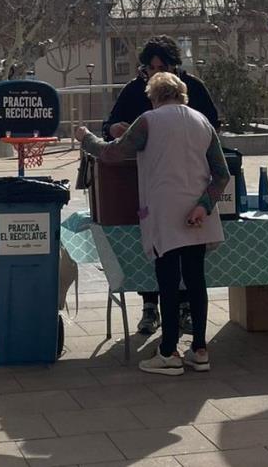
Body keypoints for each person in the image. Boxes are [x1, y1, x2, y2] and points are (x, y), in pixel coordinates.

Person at [77, 72, 229, 375]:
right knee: (196, 282)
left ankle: (169, 351)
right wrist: (204, 206)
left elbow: (113, 152)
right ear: (182, 94)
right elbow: (221, 174)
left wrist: (86, 139)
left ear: (154, 96)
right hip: (198, 213)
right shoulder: (203, 122)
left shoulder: (149, 120)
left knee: (168, 283)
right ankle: (200, 349)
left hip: (164, 211)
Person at [102, 35, 219, 335]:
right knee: (162, 256)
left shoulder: (194, 89)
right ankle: (150, 306)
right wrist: (112, 129)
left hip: (186, 185)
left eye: (161, 67)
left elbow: (213, 127)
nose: (154, 73)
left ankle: (178, 324)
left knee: (181, 265)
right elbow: (111, 130)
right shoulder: (133, 90)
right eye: (149, 68)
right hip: (145, 183)